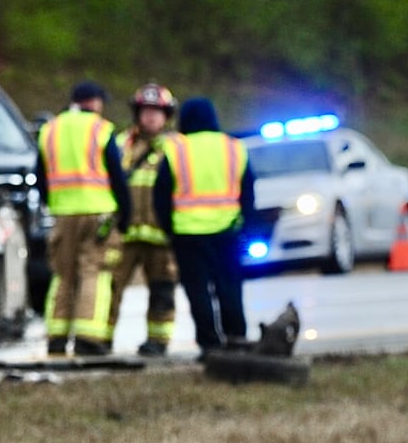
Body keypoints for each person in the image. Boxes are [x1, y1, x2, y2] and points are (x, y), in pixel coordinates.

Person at [153, 95, 255, 356]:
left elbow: (161, 195)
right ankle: (236, 337)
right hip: (227, 231)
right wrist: (246, 226)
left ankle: (210, 343)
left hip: (188, 234)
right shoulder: (234, 147)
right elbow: (248, 192)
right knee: (229, 287)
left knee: (198, 292)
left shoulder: (177, 151)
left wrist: (168, 228)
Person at [37, 80, 131, 356]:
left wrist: (54, 204)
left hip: (63, 213)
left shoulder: (49, 130)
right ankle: (89, 337)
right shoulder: (101, 130)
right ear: (96, 102)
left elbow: (40, 177)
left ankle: (56, 336)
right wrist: (124, 213)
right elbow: (117, 176)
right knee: (94, 272)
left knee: (63, 275)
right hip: (98, 213)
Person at [108, 83, 180, 357]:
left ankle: (158, 341)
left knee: (162, 290)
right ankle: (101, 339)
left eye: (157, 112)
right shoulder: (119, 144)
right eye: (146, 111)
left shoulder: (176, 147)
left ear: (167, 116)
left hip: (160, 234)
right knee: (111, 288)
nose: (151, 117)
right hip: (124, 233)